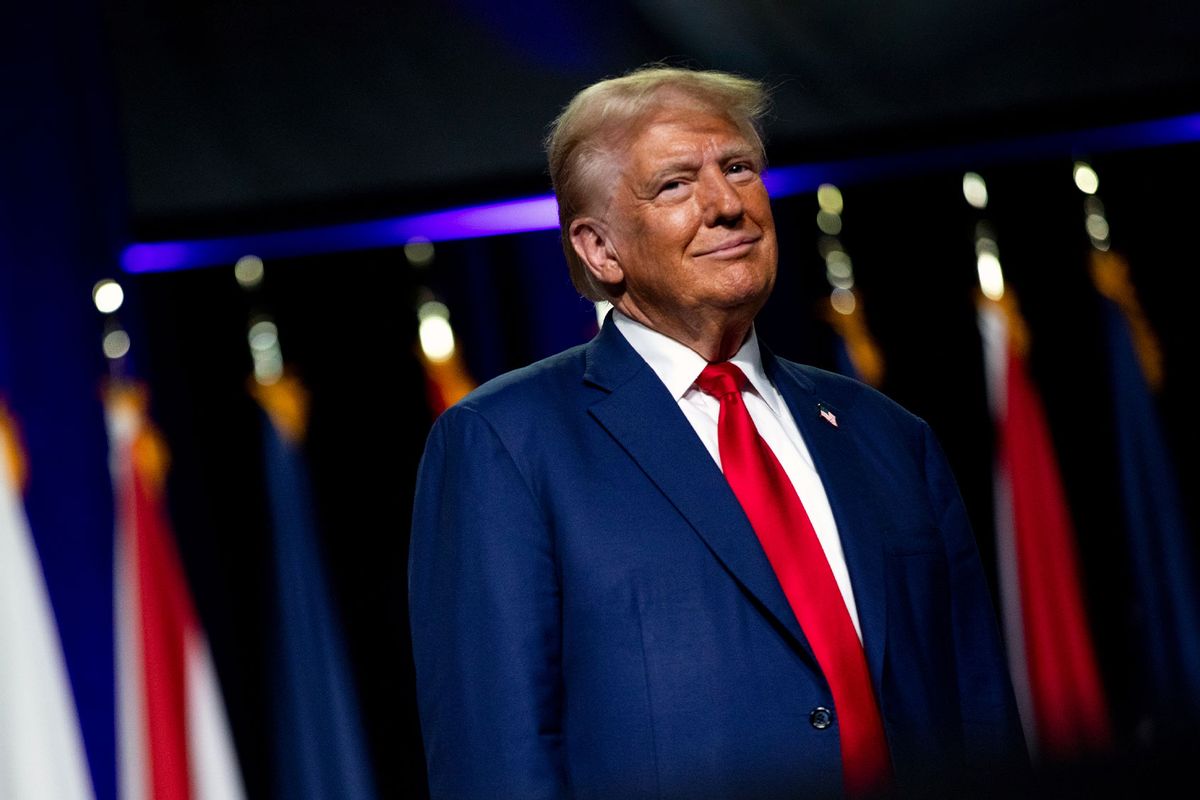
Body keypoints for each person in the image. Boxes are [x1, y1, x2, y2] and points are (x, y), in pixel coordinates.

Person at [409, 66, 1027, 799]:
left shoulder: (888, 436)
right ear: (600, 249)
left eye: (738, 168)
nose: (726, 204)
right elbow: (495, 763)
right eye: (674, 184)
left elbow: (981, 718)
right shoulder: (504, 445)